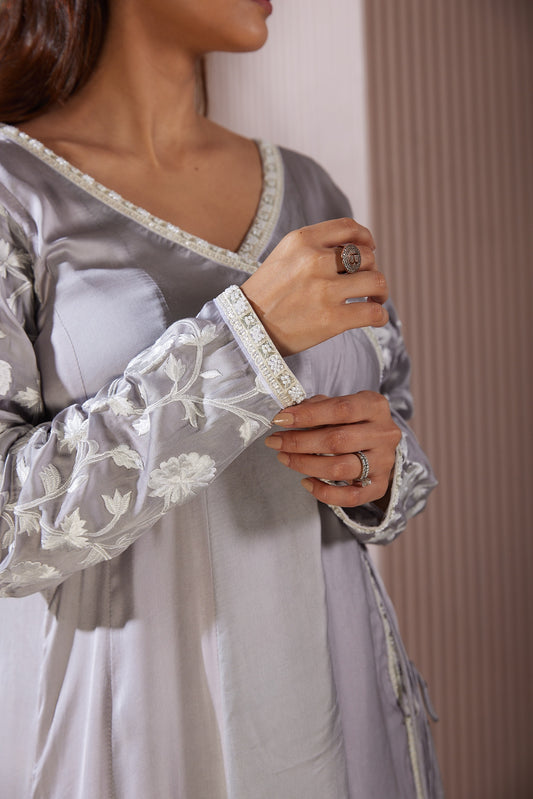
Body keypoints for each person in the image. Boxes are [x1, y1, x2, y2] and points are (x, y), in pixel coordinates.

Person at [0, 1, 443, 797]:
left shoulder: (309, 188)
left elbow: (393, 429)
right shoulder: (13, 190)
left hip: (334, 703)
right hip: (137, 732)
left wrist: (375, 470)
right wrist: (246, 340)